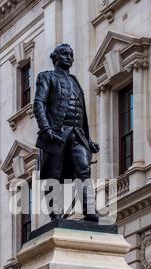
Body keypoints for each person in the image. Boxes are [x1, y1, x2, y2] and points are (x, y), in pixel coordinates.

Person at [34, 44, 100, 222]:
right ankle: (55, 213)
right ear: (56, 57)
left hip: (77, 134)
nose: (69, 57)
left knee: (84, 170)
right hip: (57, 135)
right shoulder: (46, 77)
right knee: (54, 175)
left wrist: (88, 138)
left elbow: (82, 112)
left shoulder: (75, 81)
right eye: (65, 54)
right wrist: (46, 129)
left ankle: (89, 208)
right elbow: (39, 104)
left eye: (71, 54)